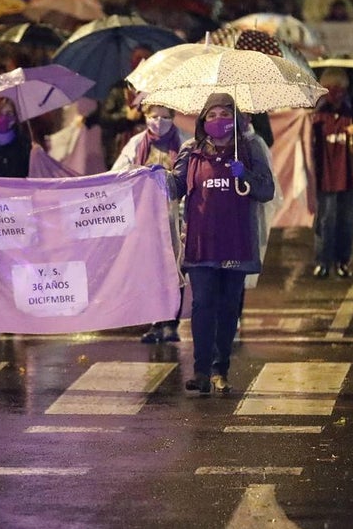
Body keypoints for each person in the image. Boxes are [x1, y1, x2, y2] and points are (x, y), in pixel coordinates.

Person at [168, 93, 274, 395]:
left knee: (228, 307)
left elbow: (266, 190)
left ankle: (220, 368)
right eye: (211, 115)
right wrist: (157, 177)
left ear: (236, 118)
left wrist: (248, 176)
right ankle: (201, 371)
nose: (218, 121)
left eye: (224, 114)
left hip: (237, 244)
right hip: (201, 244)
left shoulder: (250, 148)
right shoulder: (191, 150)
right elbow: (176, 186)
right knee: (202, 304)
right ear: (202, 120)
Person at [112, 103, 187, 343]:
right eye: (154, 116)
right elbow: (117, 173)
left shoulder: (184, 143)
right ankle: (156, 321)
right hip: (145, 218)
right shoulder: (136, 144)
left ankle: (171, 322)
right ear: (145, 117)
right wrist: (138, 172)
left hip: (174, 215)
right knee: (151, 269)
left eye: (165, 117)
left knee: (174, 267)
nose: (159, 122)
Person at [311, 68, 353, 279]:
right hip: (324, 172)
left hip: (351, 172)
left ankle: (342, 261)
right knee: (325, 218)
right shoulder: (316, 109)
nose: (334, 94)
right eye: (329, 89)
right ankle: (323, 261)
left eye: (339, 89)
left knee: (347, 219)